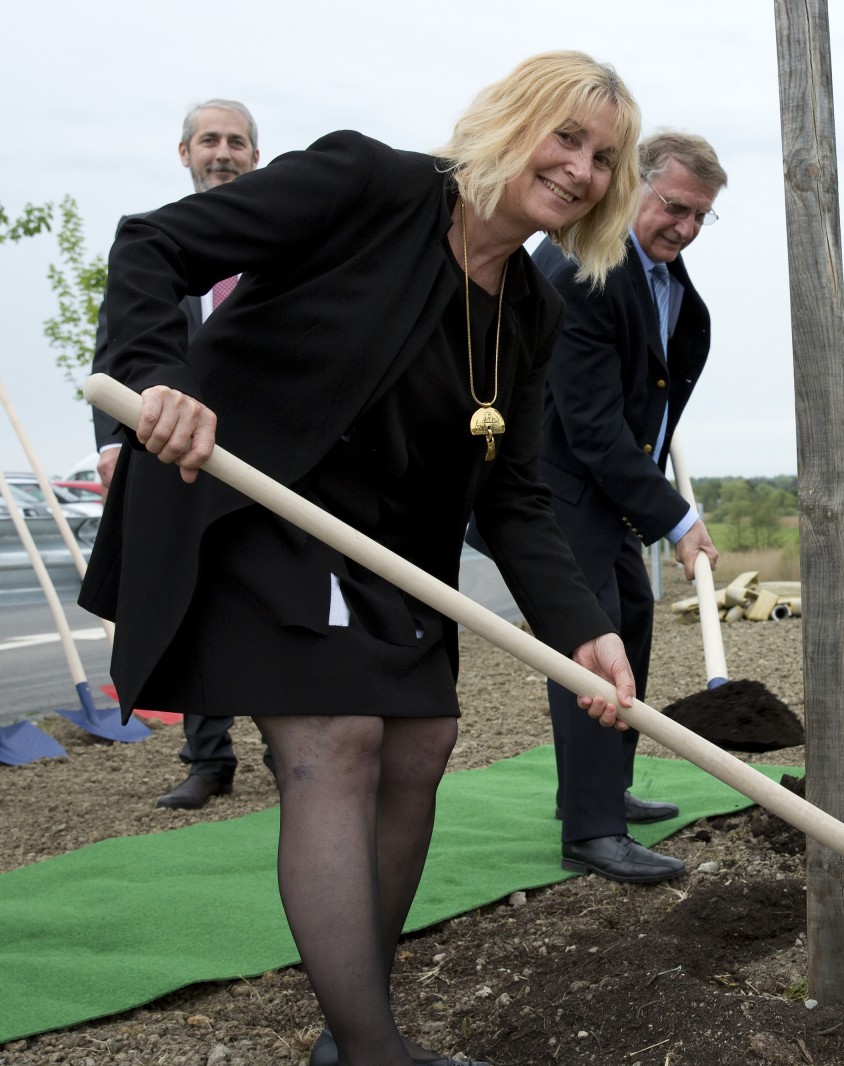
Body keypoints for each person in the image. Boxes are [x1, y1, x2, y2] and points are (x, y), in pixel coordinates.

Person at [81, 52, 642, 1066]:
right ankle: (373, 1048)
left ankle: (352, 1029)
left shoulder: (531, 307)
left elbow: (512, 493)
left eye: (605, 157)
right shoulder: (366, 184)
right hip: (249, 500)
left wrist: (584, 627)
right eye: (565, 136)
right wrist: (157, 375)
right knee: (337, 737)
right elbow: (153, 246)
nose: (581, 170)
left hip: (387, 549)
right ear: (508, 122)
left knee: (420, 745)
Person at [530, 130, 726, 884]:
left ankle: (602, 787)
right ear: (635, 188)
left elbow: (651, 397)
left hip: (607, 485)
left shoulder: (659, 273)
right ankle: (591, 832)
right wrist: (676, 517)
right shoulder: (584, 269)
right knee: (588, 646)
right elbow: (590, 425)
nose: (686, 227)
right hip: (557, 483)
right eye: (675, 207)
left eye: (701, 216)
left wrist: (652, 501)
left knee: (633, 615)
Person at [90, 98, 268, 810]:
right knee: (190, 605)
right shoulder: (152, 245)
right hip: (178, 459)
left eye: (236, 142)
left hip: (272, 466)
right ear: (184, 153)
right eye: (208, 141)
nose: (222, 152)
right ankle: (207, 759)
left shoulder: (281, 248)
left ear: (257, 156)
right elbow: (117, 347)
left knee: (269, 605)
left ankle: (292, 748)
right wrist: (111, 443)